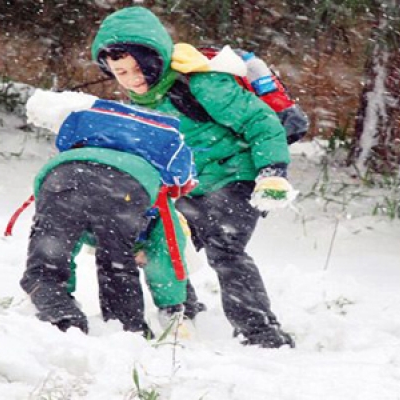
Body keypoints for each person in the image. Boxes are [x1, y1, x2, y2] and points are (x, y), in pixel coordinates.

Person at [91, 6, 297, 348]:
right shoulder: (139, 103)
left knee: (224, 246)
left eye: (137, 66)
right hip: (191, 185)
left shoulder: (202, 83)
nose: (131, 78)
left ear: (154, 56)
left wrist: (272, 172)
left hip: (238, 174)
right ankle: (184, 309)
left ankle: (262, 333)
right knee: (164, 237)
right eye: (120, 72)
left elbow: (261, 123)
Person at [20, 93, 197, 337]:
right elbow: (168, 258)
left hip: (63, 175)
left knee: (49, 257)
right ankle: (127, 329)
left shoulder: (90, 126)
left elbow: (67, 230)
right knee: (116, 264)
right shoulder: (164, 207)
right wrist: (174, 306)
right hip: (124, 189)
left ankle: (58, 312)